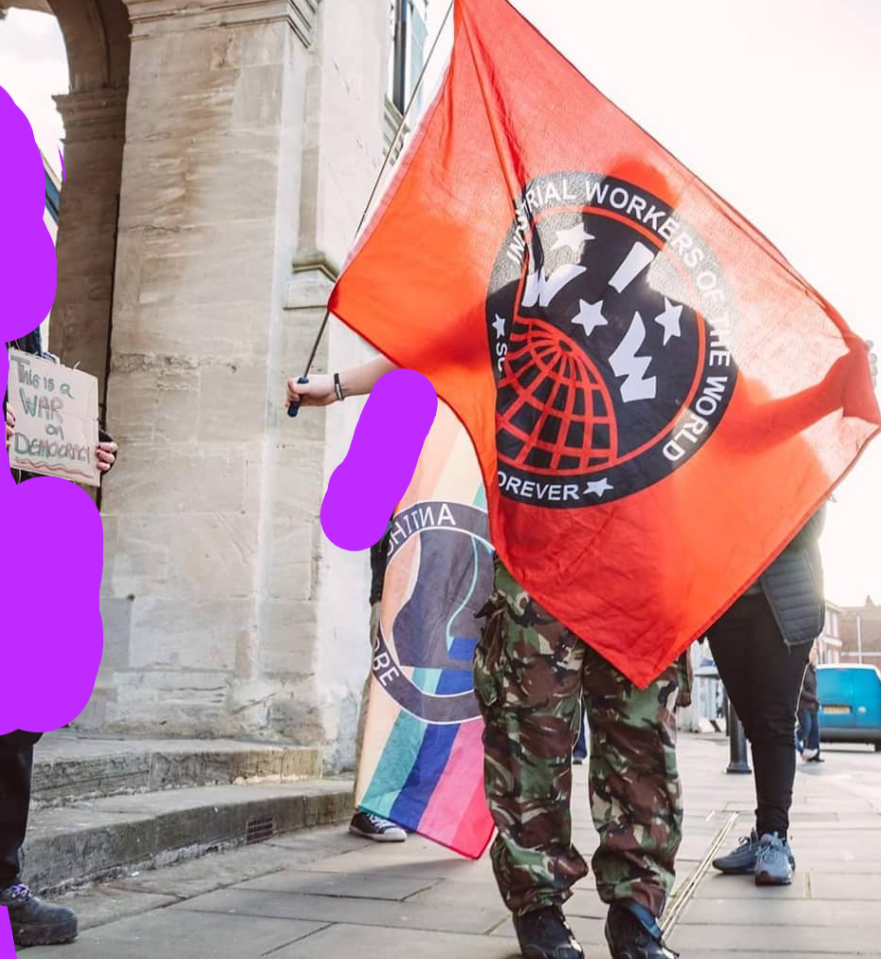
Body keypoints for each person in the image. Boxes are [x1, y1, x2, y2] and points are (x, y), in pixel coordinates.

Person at [288, 359, 681, 959]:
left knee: (642, 736)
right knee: (529, 733)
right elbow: (435, 345)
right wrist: (340, 386)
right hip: (539, 544)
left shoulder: (672, 322)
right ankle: (538, 905)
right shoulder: (525, 308)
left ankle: (637, 909)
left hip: (640, 547)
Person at [0, 331, 119, 948]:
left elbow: (58, 422)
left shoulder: (29, 347)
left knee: (12, 721)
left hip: (13, 551)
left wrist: (90, 446)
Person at [709, 509, 825, 887]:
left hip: (783, 605)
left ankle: (776, 837)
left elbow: (810, 526)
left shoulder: (792, 465)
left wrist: (745, 519)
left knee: (774, 720)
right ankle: (765, 833)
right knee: (754, 721)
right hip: (726, 602)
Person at [348, 517, 408, 843]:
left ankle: (395, 803)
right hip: (393, 589)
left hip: (428, 592)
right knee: (385, 692)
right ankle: (369, 805)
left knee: (410, 701)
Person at [797, 651, 822, 763]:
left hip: (813, 706)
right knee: (806, 728)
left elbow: (813, 689)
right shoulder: (804, 670)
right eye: (812, 655)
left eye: (816, 655)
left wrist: (816, 701)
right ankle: (794, 738)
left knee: (815, 732)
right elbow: (800, 690)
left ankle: (814, 755)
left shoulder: (813, 671)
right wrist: (813, 698)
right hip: (804, 706)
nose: (814, 657)